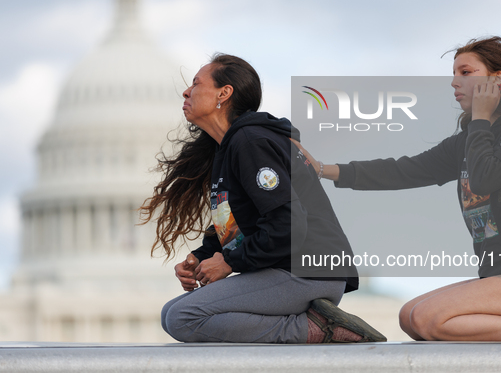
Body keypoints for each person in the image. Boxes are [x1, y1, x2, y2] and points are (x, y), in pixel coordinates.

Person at [293, 36, 501, 341]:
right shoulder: (468, 140)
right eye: (453, 74)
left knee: (427, 319)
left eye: (465, 72)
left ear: (496, 79)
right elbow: (403, 170)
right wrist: (322, 169)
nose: (454, 82)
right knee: (409, 315)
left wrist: (480, 119)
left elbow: (486, 178)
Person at [140, 53, 386, 343]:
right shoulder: (230, 147)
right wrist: (202, 256)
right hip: (289, 268)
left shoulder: (251, 142)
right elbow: (240, 223)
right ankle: (310, 323)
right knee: (171, 314)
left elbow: (289, 225)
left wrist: (229, 262)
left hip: (310, 272)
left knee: (183, 317)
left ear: (224, 93)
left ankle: (320, 328)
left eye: (195, 83)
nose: (186, 91)